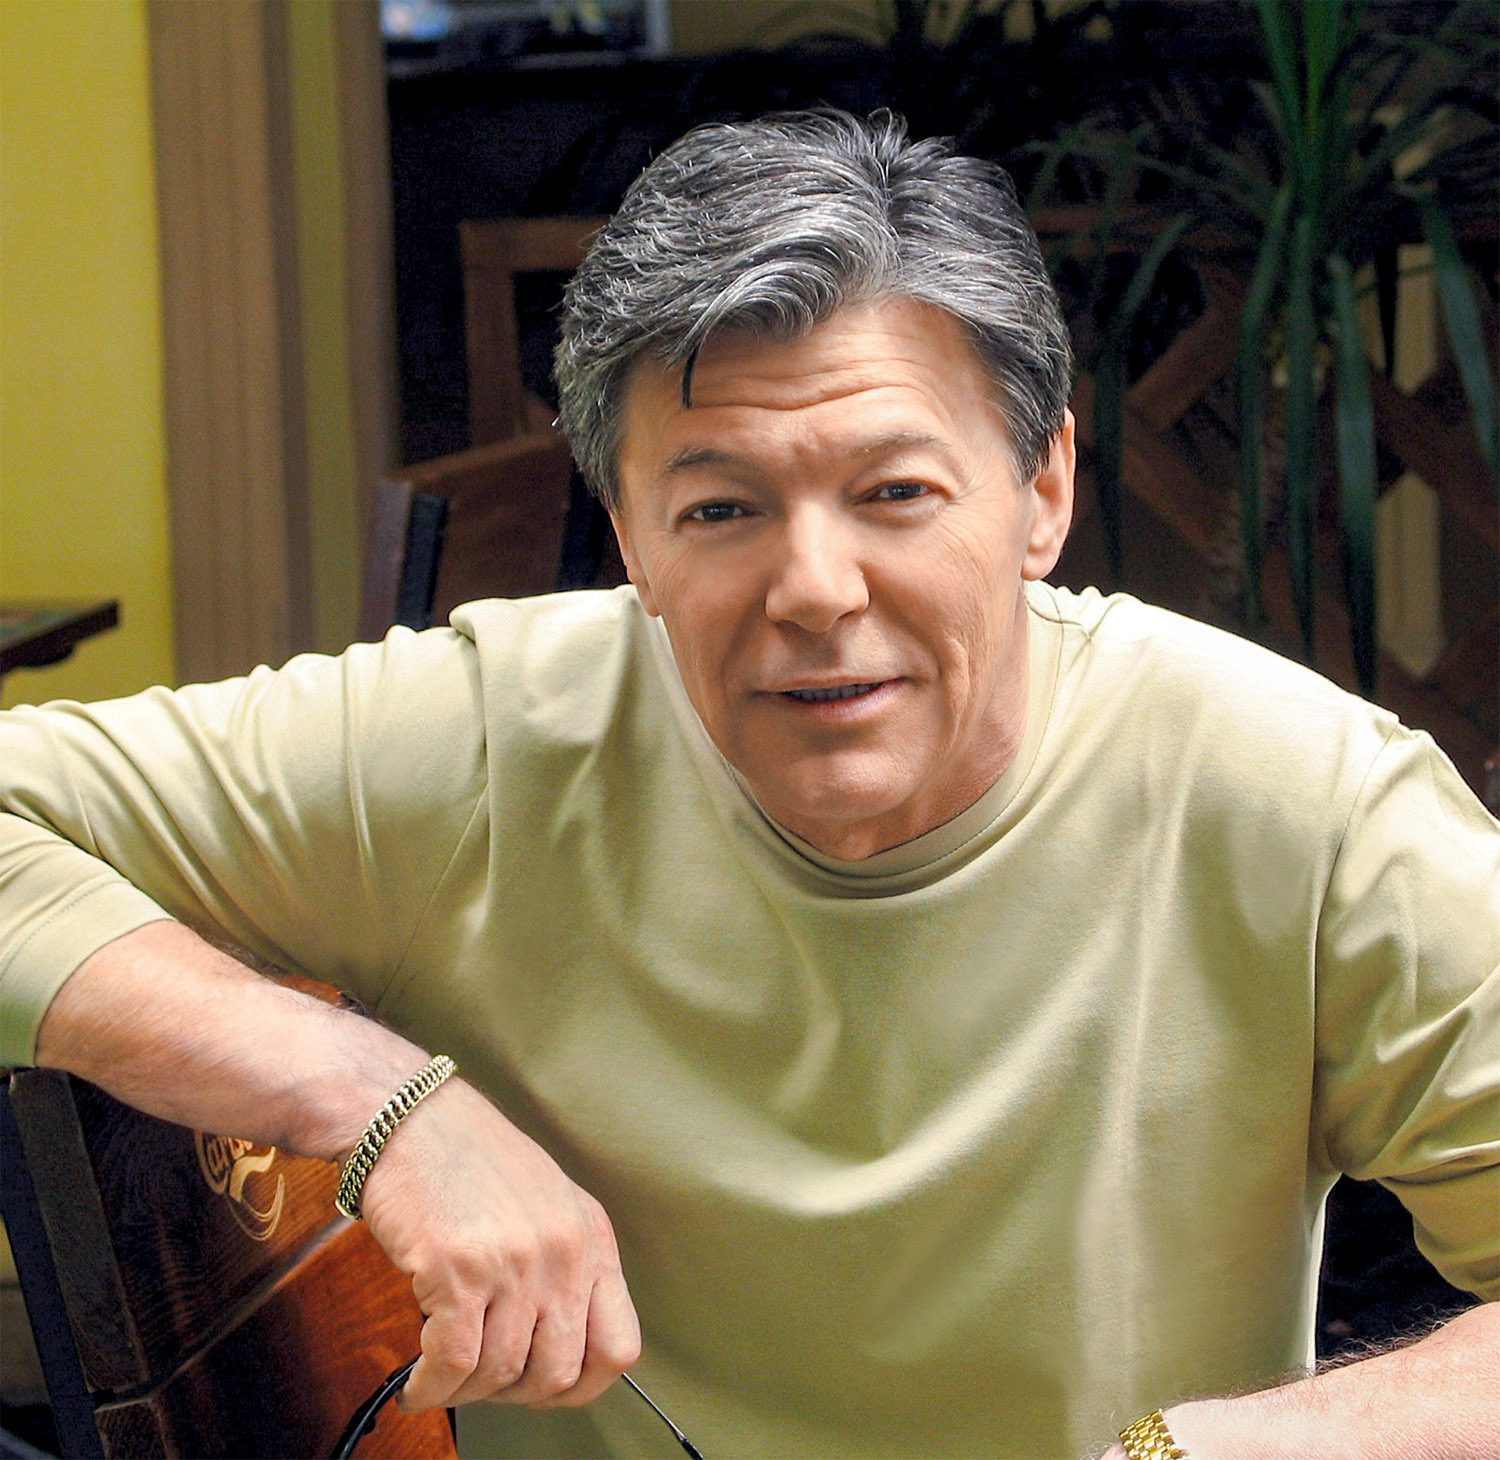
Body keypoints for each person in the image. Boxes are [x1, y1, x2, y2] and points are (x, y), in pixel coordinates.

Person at [1, 110, 1496, 1460]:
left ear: (1042, 492)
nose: (816, 589)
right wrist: (378, 1100)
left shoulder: (1297, 797)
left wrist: (1217, 1450)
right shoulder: (489, 742)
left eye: (896, 492)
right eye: (721, 507)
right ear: (630, 537)